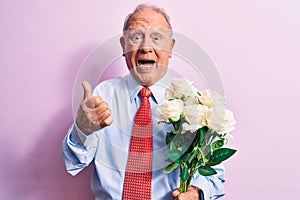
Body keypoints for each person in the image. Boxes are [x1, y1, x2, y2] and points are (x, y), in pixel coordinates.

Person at [62, 4, 225, 200]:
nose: (146, 47)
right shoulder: (102, 96)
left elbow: (214, 175)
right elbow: (74, 162)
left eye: (156, 38)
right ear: (124, 46)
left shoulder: (194, 103)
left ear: (170, 48)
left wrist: (197, 193)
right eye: (136, 37)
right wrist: (82, 129)